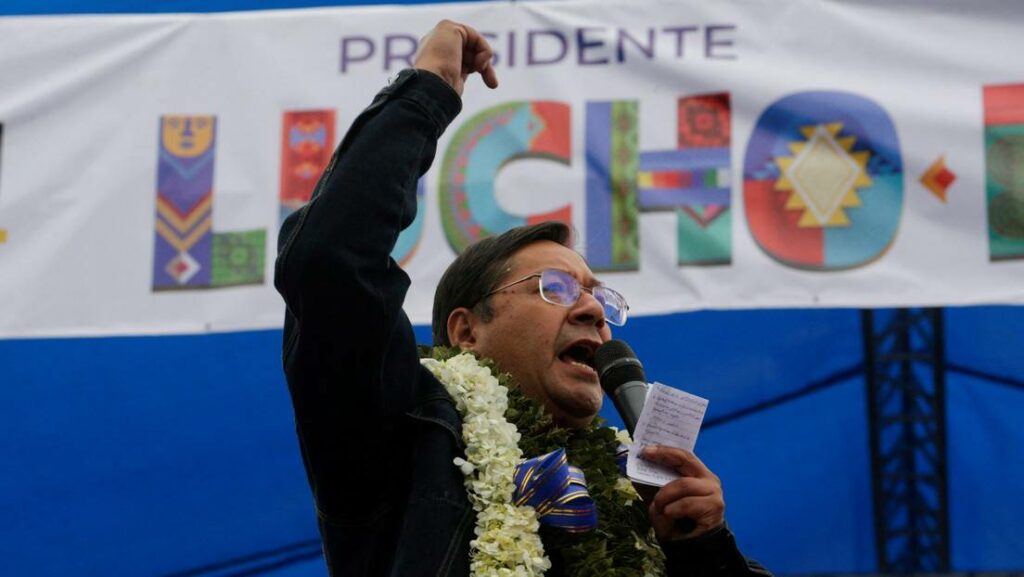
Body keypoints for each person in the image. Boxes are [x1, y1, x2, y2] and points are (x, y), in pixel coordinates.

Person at [275, 19, 770, 577]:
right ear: (466, 331)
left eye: (599, 298)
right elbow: (331, 261)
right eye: (554, 289)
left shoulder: (639, 500)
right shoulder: (401, 430)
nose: (593, 313)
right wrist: (428, 88)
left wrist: (704, 549)